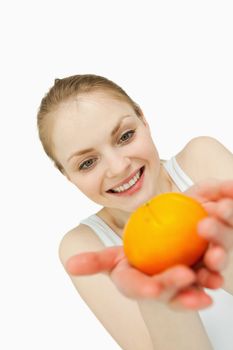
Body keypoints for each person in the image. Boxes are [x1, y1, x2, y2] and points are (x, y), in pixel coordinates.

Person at [37, 74, 233, 350]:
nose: (118, 167)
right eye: (88, 163)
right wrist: (160, 301)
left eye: (125, 136)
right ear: (67, 176)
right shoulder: (86, 247)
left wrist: (220, 253)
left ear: (144, 120)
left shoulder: (202, 160)